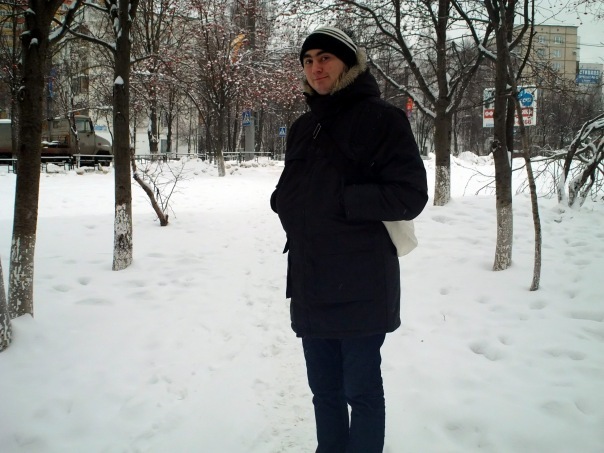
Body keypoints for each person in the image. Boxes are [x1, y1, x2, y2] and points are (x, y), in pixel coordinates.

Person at [270, 26, 428, 453]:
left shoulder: (383, 119)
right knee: (323, 391)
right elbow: (293, 186)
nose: (315, 68)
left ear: (349, 63)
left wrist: (342, 201)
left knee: (360, 390)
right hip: (310, 279)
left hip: (361, 282)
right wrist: (282, 201)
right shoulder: (303, 126)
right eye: (308, 60)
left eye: (325, 57)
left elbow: (410, 195)